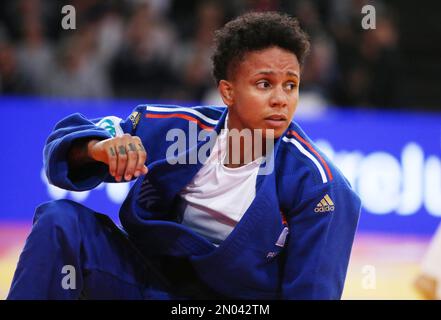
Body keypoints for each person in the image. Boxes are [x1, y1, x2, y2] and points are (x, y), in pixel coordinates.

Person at [8, 12, 361, 300]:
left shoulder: (319, 186)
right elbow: (66, 148)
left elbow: (313, 292)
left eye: (291, 85)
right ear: (228, 91)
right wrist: (97, 148)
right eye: (264, 84)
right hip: (152, 284)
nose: (281, 99)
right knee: (60, 220)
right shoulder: (177, 129)